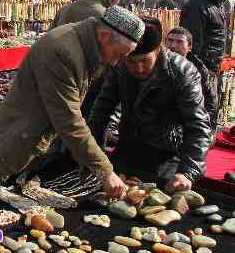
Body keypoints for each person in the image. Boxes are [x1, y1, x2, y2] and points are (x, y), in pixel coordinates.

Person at [0, 6, 145, 198]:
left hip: (39, 143)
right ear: (105, 35)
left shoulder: (85, 44)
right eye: (118, 54)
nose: (116, 62)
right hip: (18, 146)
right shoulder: (62, 50)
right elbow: (68, 119)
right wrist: (105, 171)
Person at [89, 18, 212, 191]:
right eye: (132, 62)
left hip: (166, 154)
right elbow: (101, 111)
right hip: (128, 146)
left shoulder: (183, 72)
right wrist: (95, 156)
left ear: (158, 50)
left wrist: (188, 172)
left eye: (145, 61)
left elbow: (198, 126)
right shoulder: (120, 66)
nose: (138, 69)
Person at [166, 27, 219, 135]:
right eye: (170, 41)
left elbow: (210, 103)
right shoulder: (155, 66)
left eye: (179, 42)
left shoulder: (199, 70)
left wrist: (205, 132)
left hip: (187, 128)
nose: (173, 46)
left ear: (189, 47)